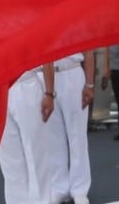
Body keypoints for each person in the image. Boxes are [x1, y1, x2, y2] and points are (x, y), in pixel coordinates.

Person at [41, 53, 96, 204]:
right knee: (53, 137)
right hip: (45, 76)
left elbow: (88, 50)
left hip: (72, 72)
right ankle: (59, 187)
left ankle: (80, 189)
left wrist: (90, 85)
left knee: (77, 135)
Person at [0, 65, 57, 204]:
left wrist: (49, 93)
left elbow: (46, 55)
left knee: (36, 155)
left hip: (26, 84)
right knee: (9, 161)